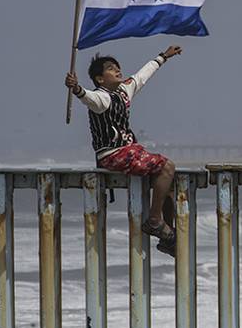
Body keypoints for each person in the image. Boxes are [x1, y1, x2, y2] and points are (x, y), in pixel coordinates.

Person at [64, 46, 183, 257]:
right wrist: (76, 89)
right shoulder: (102, 98)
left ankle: (168, 234)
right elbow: (88, 98)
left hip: (128, 150)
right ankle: (155, 221)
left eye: (118, 67)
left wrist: (163, 57)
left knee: (168, 182)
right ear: (100, 79)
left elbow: (143, 75)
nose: (118, 70)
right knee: (167, 166)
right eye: (111, 69)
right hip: (111, 154)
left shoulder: (124, 90)